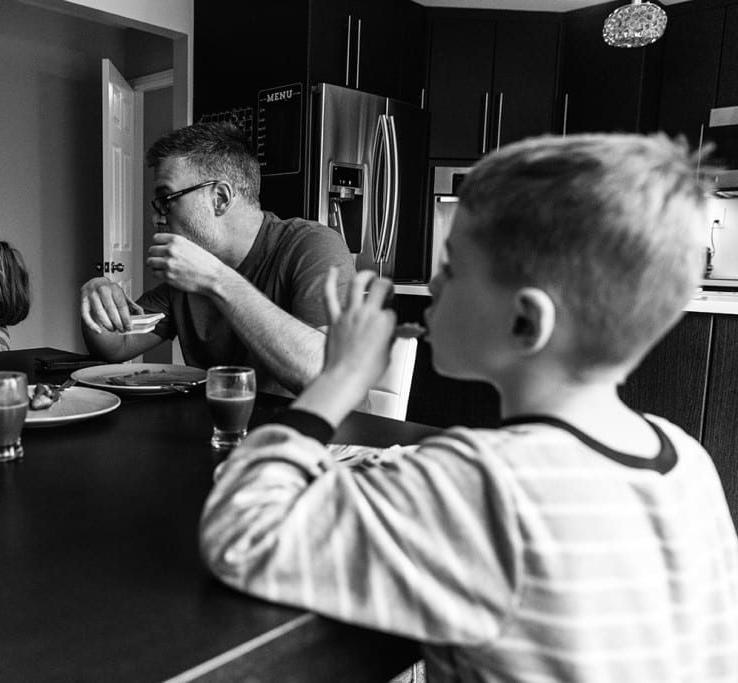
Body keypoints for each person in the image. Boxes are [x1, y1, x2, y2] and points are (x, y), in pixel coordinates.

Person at [199, 134, 738, 681]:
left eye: (452, 268)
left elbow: (240, 533)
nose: (432, 284)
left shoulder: (483, 483)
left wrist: (337, 381)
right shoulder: (689, 461)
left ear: (526, 322)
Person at [80, 122, 356, 395]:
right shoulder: (186, 278)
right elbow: (116, 347)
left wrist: (215, 279)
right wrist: (97, 303)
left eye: (167, 199)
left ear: (220, 198)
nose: (156, 217)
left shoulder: (312, 246)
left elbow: (326, 376)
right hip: (222, 433)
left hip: (321, 435)